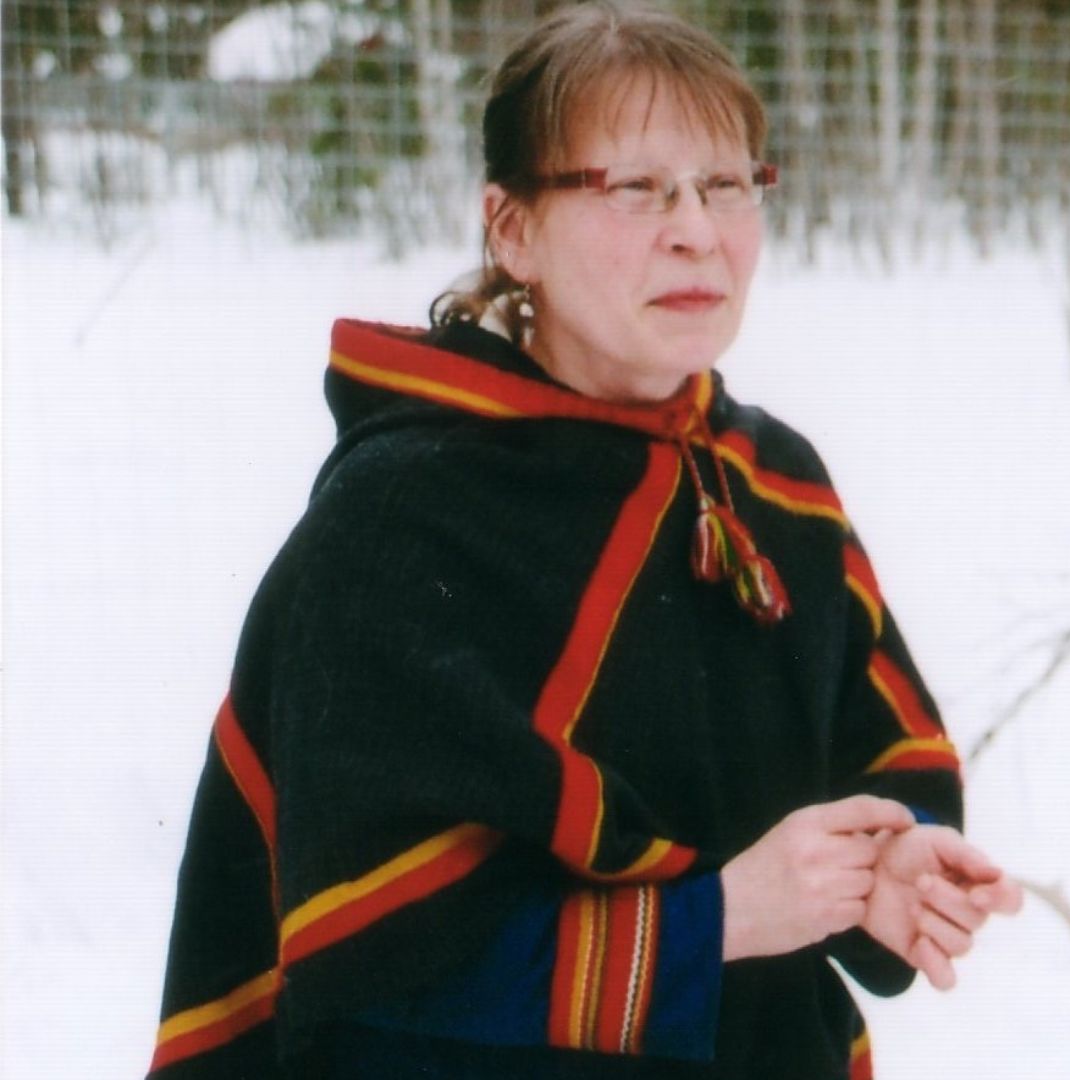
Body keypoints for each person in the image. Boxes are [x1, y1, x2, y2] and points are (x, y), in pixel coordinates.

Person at [147, 4, 1020, 1077]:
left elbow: (877, 764)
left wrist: (887, 875)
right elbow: (373, 961)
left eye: (727, 183)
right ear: (512, 230)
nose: (697, 230)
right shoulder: (402, 515)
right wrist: (718, 922)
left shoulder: (773, 487)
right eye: (637, 187)